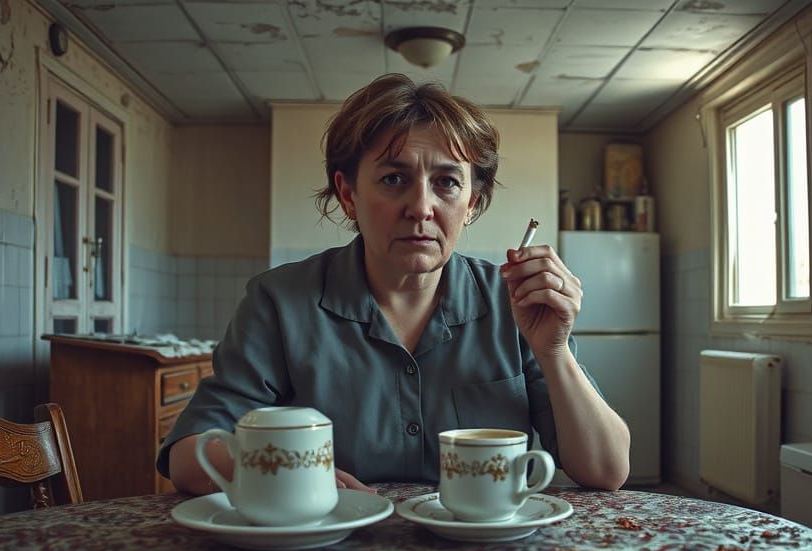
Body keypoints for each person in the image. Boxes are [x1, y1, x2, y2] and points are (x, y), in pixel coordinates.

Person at [158, 73, 630, 494]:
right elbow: (189, 456)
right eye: (393, 178)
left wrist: (555, 350)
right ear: (348, 194)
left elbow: (606, 471)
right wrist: (292, 472)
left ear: (471, 203)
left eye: (446, 183)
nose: (421, 207)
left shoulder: (515, 304)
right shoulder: (278, 302)